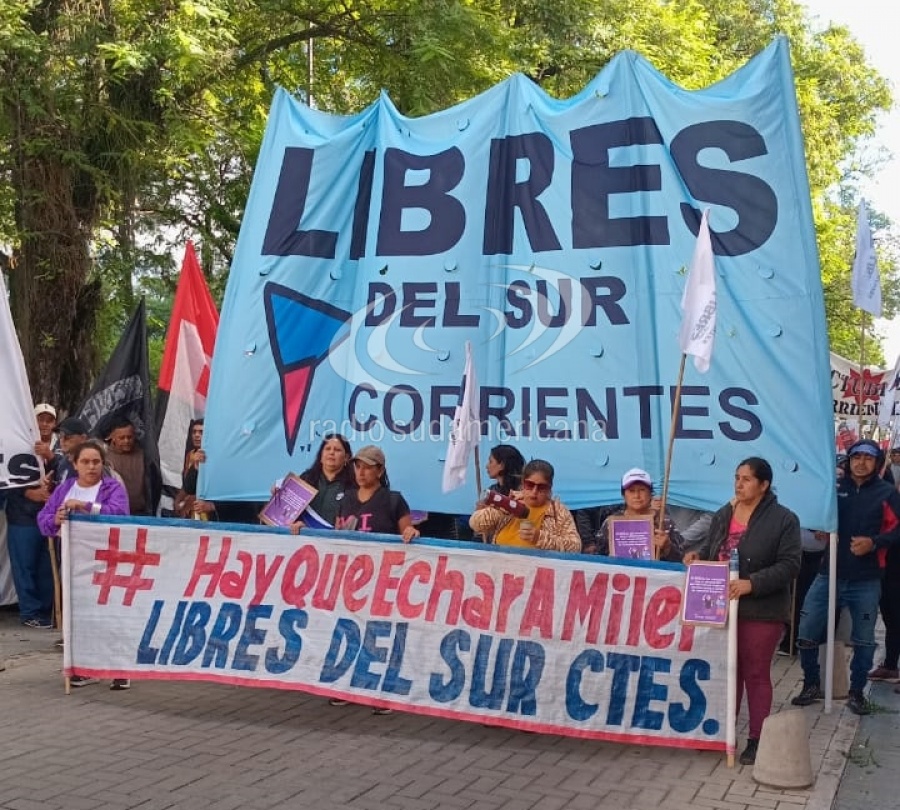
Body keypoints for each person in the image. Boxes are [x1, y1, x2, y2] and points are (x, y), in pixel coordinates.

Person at [683, 457, 801, 765]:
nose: (739, 483)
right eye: (737, 477)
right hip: (723, 607)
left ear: (764, 485)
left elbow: (791, 565)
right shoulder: (725, 512)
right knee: (729, 671)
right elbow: (713, 552)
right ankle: (725, 734)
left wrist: (753, 584)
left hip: (761, 609)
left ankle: (757, 739)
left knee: (755, 673)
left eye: (747, 479)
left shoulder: (784, 519)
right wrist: (698, 558)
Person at [791, 439, 900, 715]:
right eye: (856, 457)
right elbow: (816, 514)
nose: (861, 462)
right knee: (805, 632)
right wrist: (820, 529)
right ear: (848, 460)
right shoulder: (835, 489)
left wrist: (874, 542)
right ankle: (811, 683)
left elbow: (897, 530)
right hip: (828, 574)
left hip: (866, 580)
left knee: (863, 640)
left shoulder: (887, 493)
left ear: (877, 463)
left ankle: (856, 692)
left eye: (868, 458)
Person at [37, 439, 131, 689]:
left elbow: (120, 514)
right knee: (80, 615)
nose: (91, 467)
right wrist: (55, 518)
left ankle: (119, 668)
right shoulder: (65, 488)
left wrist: (87, 506)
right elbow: (44, 518)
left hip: (108, 560)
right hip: (75, 561)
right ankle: (84, 667)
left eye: (96, 462)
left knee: (110, 614)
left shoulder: (112, 488)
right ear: (75, 464)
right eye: (86, 462)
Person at [4, 404, 58, 628]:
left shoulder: (61, 445)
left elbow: (71, 473)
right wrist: (29, 492)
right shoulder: (15, 443)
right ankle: (30, 612)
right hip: (22, 516)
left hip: (50, 516)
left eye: (48, 420)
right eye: (40, 419)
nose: (44, 424)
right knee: (24, 565)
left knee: (48, 565)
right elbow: (4, 477)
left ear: (54, 423)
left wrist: (51, 457)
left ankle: (46, 609)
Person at [469, 459, 581, 552]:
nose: (534, 492)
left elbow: (575, 547)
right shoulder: (511, 501)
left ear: (549, 488)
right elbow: (476, 524)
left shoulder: (558, 511)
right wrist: (503, 508)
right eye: (529, 485)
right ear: (523, 483)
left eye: (541, 487)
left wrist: (540, 538)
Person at [585, 469, 683, 560]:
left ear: (650, 494)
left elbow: (681, 561)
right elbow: (598, 557)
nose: (637, 496)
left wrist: (668, 548)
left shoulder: (665, 522)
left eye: (642, 490)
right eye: (631, 491)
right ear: (623, 495)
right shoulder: (611, 524)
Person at [335, 445, 419, 542]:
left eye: (367, 467)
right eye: (357, 467)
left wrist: (411, 532)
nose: (361, 473)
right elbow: (336, 536)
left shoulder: (394, 500)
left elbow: (409, 536)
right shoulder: (346, 498)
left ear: (380, 471)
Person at [295, 434, 355, 525]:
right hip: (304, 536)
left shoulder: (353, 484)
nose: (331, 452)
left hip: (336, 537)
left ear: (346, 457)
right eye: (327, 449)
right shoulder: (306, 479)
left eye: (337, 450)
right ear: (321, 455)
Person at [104, 417, 152, 515]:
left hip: (140, 513)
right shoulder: (104, 457)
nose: (126, 441)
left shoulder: (143, 455)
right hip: (114, 514)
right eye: (121, 438)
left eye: (129, 437)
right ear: (112, 437)